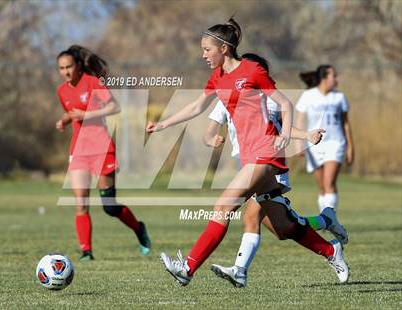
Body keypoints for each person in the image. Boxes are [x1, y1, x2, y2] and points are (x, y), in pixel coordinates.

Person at [146, 17, 349, 286]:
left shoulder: (252, 70)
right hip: (250, 157)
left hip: (266, 153)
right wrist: (163, 124)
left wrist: (286, 135)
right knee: (282, 226)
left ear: (224, 49)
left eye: (207, 49)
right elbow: (196, 107)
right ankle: (330, 250)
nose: (203, 55)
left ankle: (187, 269)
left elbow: (285, 104)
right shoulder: (217, 77)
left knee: (223, 206)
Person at [204, 53, 348, 287]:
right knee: (283, 228)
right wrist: (211, 139)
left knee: (250, 215)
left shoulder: (267, 99)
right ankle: (326, 229)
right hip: (248, 167)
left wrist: (306, 136)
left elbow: (286, 127)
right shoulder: (226, 98)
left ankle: (239, 270)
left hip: (270, 166)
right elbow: (209, 130)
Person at [55, 45, 151, 260]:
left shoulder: (93, 82)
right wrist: (63, 120)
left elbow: (114, 107)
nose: (66, 72)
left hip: (101, 148)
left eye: (69, 66)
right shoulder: (62, 90)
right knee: (81, 203)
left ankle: (139, 228)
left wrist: (87, 113)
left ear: (78, 65)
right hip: (78, 151)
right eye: (61, 68)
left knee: (109, 206)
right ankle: (86, 252)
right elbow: (71, 112)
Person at [296, 65, 354, 213]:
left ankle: (330, 220)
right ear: (323, 78)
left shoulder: (339, 97)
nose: (337, 79)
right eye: (333, 76)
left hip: (335, 143)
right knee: (322, 186)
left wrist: (350, 147)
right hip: (314, 144)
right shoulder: (308, 96)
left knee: (329, 183)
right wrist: (298, 144)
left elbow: (345, 124)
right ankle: (326, 219)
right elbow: (300, 120)